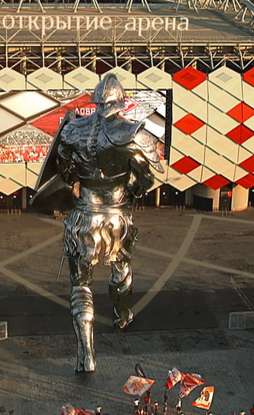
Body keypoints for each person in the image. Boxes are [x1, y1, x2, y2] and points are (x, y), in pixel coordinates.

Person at [33, 75, 163, 373]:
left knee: (81, 284)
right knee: (122, 266)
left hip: (83, 216)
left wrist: (77, 184)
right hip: (117, 216)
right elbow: (146, 179)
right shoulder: (133, 134)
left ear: (95, 102)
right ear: (119, 102)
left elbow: (64, 168)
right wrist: (131, 192)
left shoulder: (73, 130)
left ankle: (86, 355)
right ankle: (122, 313)